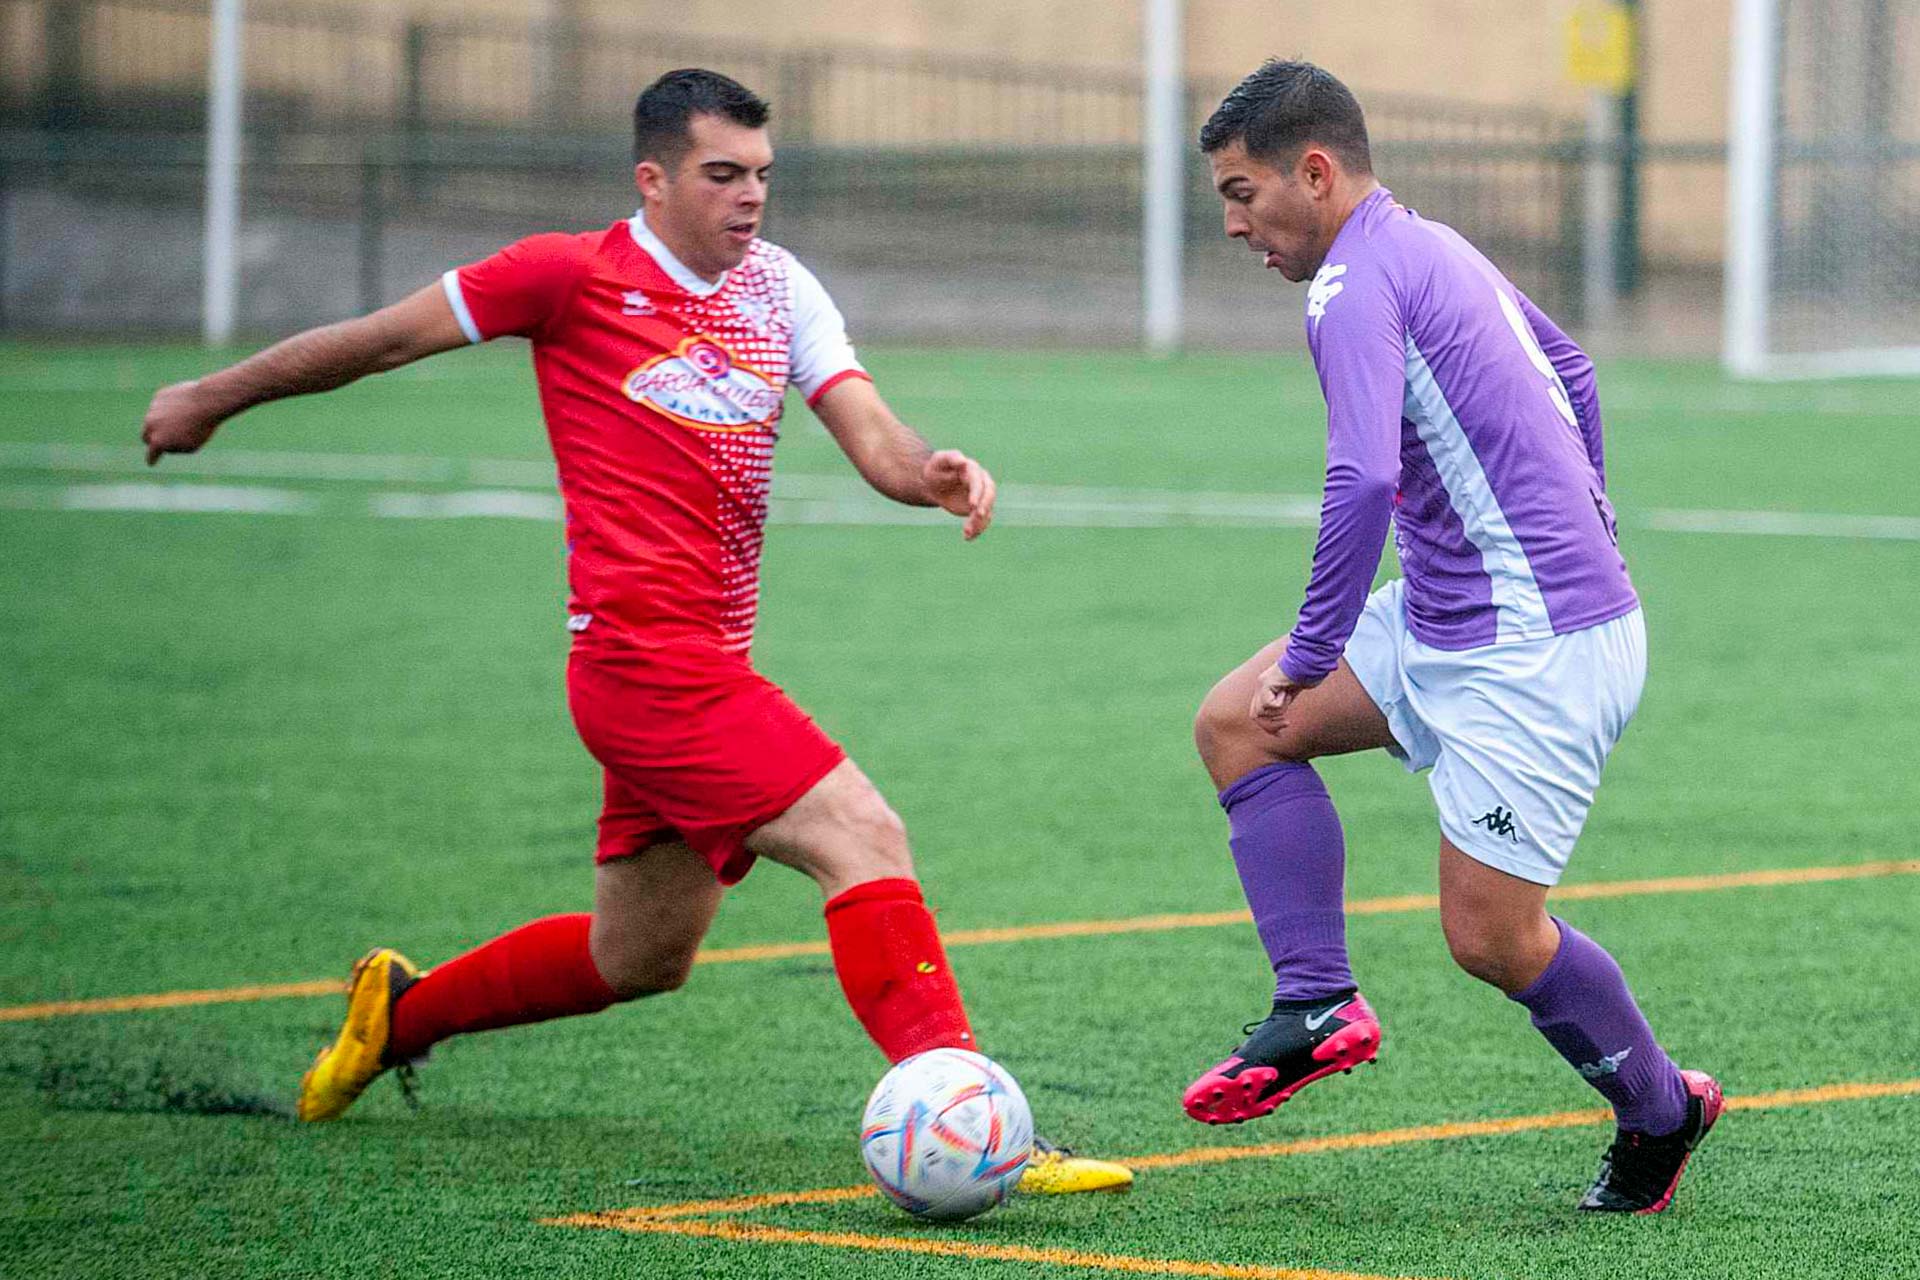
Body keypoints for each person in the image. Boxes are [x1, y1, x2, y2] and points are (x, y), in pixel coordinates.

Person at [138, 68, 1129, 1196]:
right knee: (863, 832)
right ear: (652, 180)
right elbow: (378, 340)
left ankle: (401, 1014)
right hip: (643, 664)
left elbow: (874, 436)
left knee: (639, 955)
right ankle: (976, 1122)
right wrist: (213, 394)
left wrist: (930, 473)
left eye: (762, 174)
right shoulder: (567, 275)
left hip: (700, 665)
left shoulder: (780, 290)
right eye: (722, 175)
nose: (749, 197)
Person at [1178, 60, 1719, 1214]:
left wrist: (1312, 651)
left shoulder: (1346, 287)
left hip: (1533, 649)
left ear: (1313, 173)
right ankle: (1317, 1002)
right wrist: (1594, 521)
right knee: (1235, 725)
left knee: (1489, 934)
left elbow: (1364, 471)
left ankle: (1662, 1109)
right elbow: (1571, 365)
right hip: (1458, 611)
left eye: (1241, 192)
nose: (1232, 224)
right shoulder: (1430, 242)